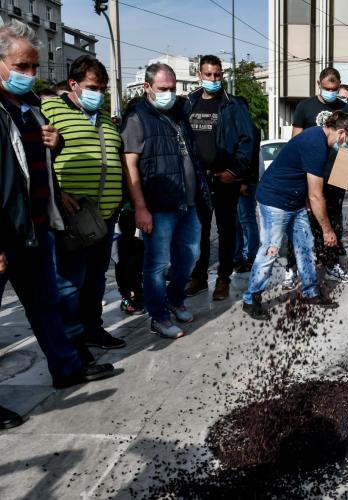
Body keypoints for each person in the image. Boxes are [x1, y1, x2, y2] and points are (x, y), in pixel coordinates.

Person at [0, 21, 118, 420]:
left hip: (36, 227)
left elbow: (40, 161)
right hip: (6, 232)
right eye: (22, 66)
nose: (30, 75)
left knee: (47, 304)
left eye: (34, 67)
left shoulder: (29, 106)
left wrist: (58, 142)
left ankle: (66, 369)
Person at [42, 55, 126, 360]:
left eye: (102, 88)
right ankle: (72, 342)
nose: (99, 93)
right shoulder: (50, 109)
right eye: (93, 87)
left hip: (105, 214)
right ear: (74, 84)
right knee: (70, 281)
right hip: (75, 214)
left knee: (96, 277)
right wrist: (58, 191)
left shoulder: (103, 117)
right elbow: (37, 155)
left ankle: (93, 329)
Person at [242, 111, 348, 320]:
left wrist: (306, 204)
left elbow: (304, 180)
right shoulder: (315, 144)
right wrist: (328, 230)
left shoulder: (319, 138)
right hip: (275, 202)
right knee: (270, 251)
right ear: (341, 133)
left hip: (295, 202)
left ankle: (310, 292)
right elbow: (316, 195)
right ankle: (251, 298)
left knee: (305, 247)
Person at [121, 63, 212, 339]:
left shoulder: (178, 114)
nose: (169, 94)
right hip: (159, 206)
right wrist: (140, 207)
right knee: (157, 264)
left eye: (173, 88)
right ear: (148, 87)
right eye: (163, 89)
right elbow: (130, 164)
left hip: (187, 203)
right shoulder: (137, 118)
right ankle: (158, 316)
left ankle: (174, 299)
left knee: (190, 256)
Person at [184, 55, 258, 300]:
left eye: (217, 75)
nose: (214, 79)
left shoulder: (234, 105)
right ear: (200, 75)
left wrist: (235, 172)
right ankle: (199, 277)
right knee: (199, 231)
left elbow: (248, 140)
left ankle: (223, 279)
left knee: (227, 230)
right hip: (197, 180)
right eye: (209, 75)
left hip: (224, 179)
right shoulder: (190, 103)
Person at [284, 67, 348, 289]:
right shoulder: (305, 107)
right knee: (301, 224)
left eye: (334, 89)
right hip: (310, 174)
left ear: (339, 86)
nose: (331, 92)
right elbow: (296, 141)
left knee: (333, 224)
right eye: (327, 88)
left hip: (336, 175)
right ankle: (292, 268)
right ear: (318, 84)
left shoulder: (346, 108)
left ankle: (331, 263)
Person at [233, 125, 262, 274]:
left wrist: (244, 181)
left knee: (246, 219)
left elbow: (249, 157)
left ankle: (251, 256)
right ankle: (239, 256)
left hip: (245, 181)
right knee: (238, 221)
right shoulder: (243, 127)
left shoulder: (249, 129)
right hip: (239, 181)